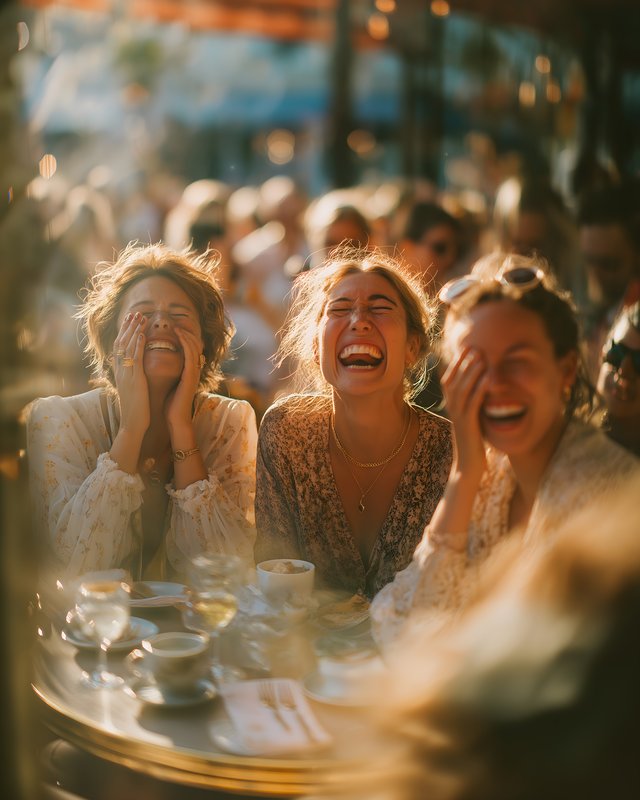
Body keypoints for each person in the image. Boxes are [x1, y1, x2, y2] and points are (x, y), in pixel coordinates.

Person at [371, 252, 638, 646]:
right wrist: (464, 474)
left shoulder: (610, 494)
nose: (494, 383)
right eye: (473, 363)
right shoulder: (490, 473)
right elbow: (396, 614)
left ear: (565, 371)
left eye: (518, 362)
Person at [26, 242, 258, 581]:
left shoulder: (230, 422)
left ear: (204, 344)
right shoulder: (58, 422)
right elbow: (77, 565)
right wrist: (131, 430)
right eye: (142, 315)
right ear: (110, 344)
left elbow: (228, 573)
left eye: (179, 315)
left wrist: (181, 427)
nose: (162, 323)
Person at [254, 248, 452, 597]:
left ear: (413, 346)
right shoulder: (287, 431)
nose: (359, 321)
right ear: (316, 347)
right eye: (340, 309)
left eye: (380, 308)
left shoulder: (451, 449)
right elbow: (274, 580)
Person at [597, 301, 640, 457]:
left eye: (639, 362)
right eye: (617, 352)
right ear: (602, 352)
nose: (624, 373)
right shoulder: (561, 435)